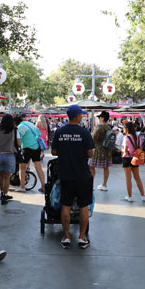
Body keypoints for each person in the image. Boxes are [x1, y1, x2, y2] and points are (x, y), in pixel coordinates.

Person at [51, 104, 95, 249]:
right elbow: (91, 153)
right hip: (83, 175)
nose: (82, 116)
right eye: (81, 115)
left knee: (66, 205)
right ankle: (82, 238)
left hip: (65, 175)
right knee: (84, 206)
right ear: (77, 116)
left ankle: (66, 237)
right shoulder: (84, 132)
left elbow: (54, 152)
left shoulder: (60, 131)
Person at [14, 115, 46, 193]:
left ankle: (22, 187)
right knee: (38, 167)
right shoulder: (30, 124)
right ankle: (43, 186)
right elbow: (38, 133)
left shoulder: (19, 127)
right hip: (36, 147)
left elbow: (18, 141)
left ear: (15, 123)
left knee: (22, 167)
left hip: (26, 148)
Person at [122, 122, 145, 202]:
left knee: (128, 178)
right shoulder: (137, 137)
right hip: (135, 158)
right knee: (137, 177)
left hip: (127, 158)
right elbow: (140, 148)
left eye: (124, 128)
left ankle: (130, 196)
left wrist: (120, 150)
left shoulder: (126, 138)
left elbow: (125, 150)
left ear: (127, 129)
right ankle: (143, 196)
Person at [91, 111, 113, 191]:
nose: (99, 119)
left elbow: (93, 138)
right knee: (106, 167)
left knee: (91, 166)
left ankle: (91, 185)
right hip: (107, 150)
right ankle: (104, 185)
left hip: (98, 151)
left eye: (99, 117)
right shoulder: (108, 127)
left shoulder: (99, 127)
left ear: (102, 118)